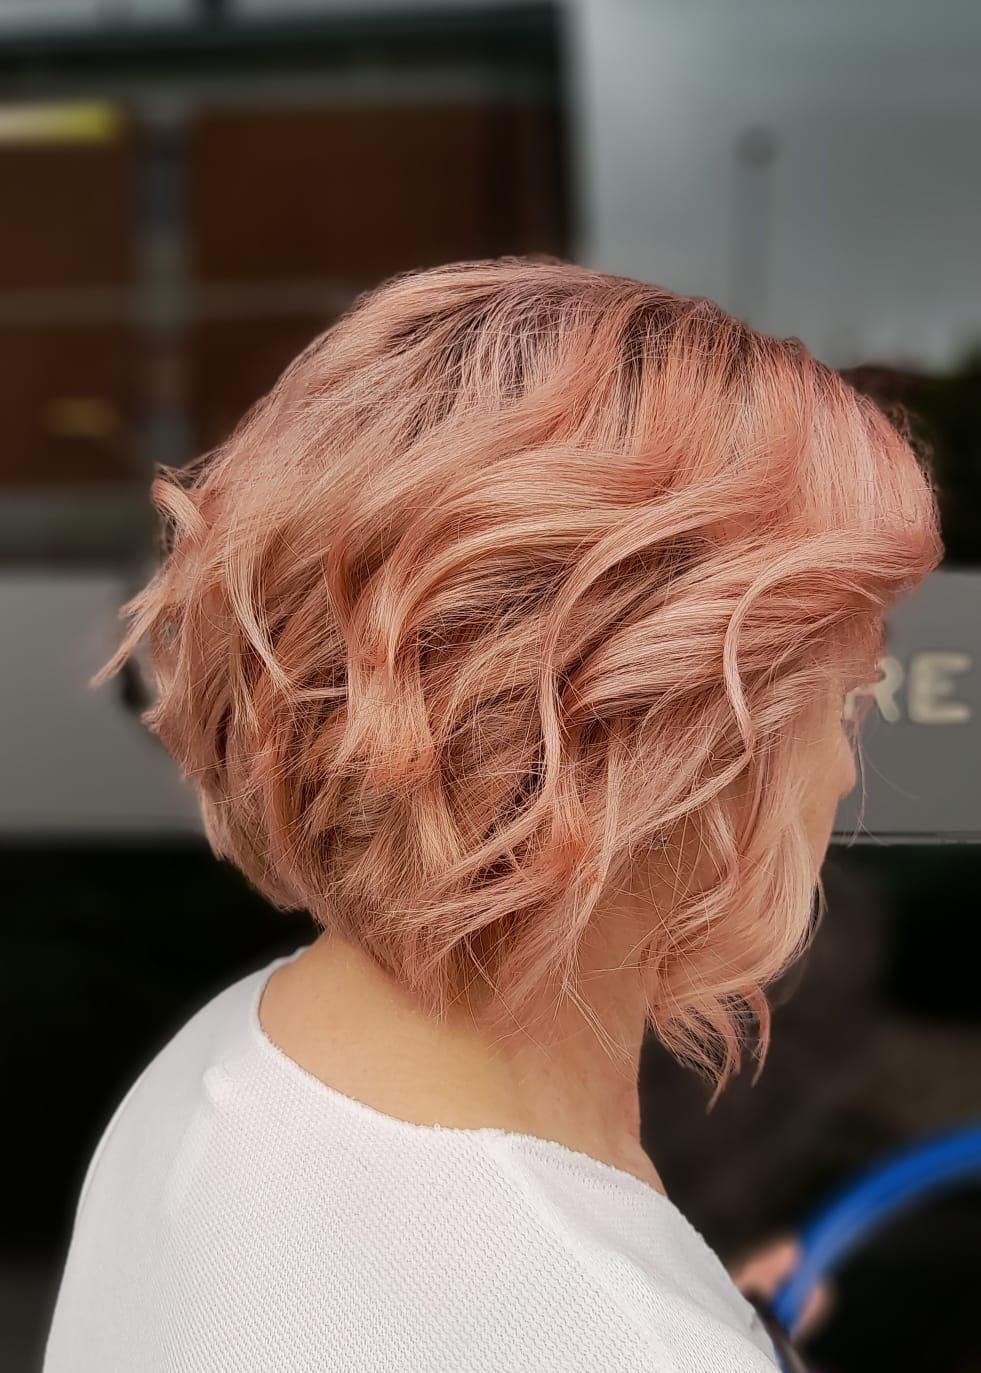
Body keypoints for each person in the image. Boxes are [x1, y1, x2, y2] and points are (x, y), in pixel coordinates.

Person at [43, 259, 941, 1371]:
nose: (846, 774)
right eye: (843, 700)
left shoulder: (240, 1057)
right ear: (673, 753)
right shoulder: (604, 1332)